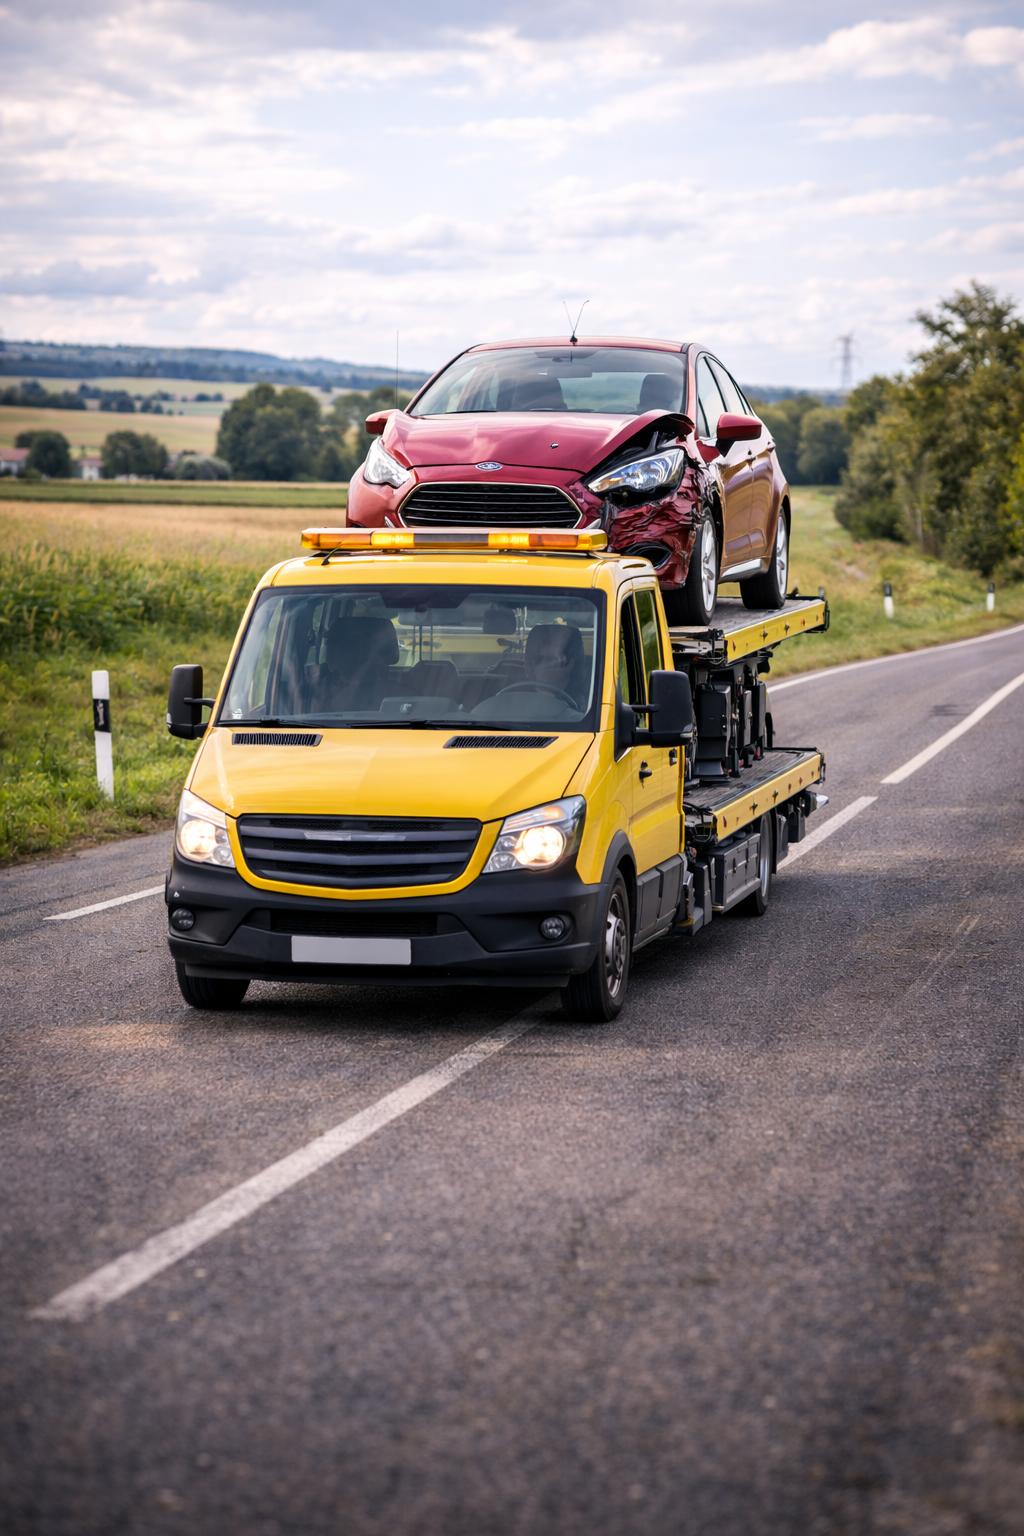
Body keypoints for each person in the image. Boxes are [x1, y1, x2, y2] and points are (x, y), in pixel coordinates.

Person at [523, 624, 585, 705]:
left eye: (550, 659)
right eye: (539, 659)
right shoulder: (514, 697)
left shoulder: (585, 704)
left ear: (569, 666)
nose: (544, 665)